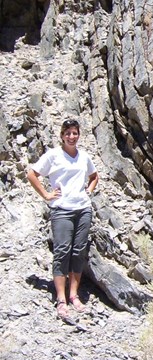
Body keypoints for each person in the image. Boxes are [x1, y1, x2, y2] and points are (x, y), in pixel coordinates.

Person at [27, 118, 99, 320]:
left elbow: (94, 176)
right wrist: (46, 195)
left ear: (78, 135)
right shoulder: (53, 156)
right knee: (62, 251)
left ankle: (74, 295)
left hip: (83, 209)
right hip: (62, 210)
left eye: (75, 133)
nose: (71, 136)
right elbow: (31, 173)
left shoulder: (83, 156)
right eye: (68, 133)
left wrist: (89, 192)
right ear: (62, 135)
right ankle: (61, 299)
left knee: (78, 252)